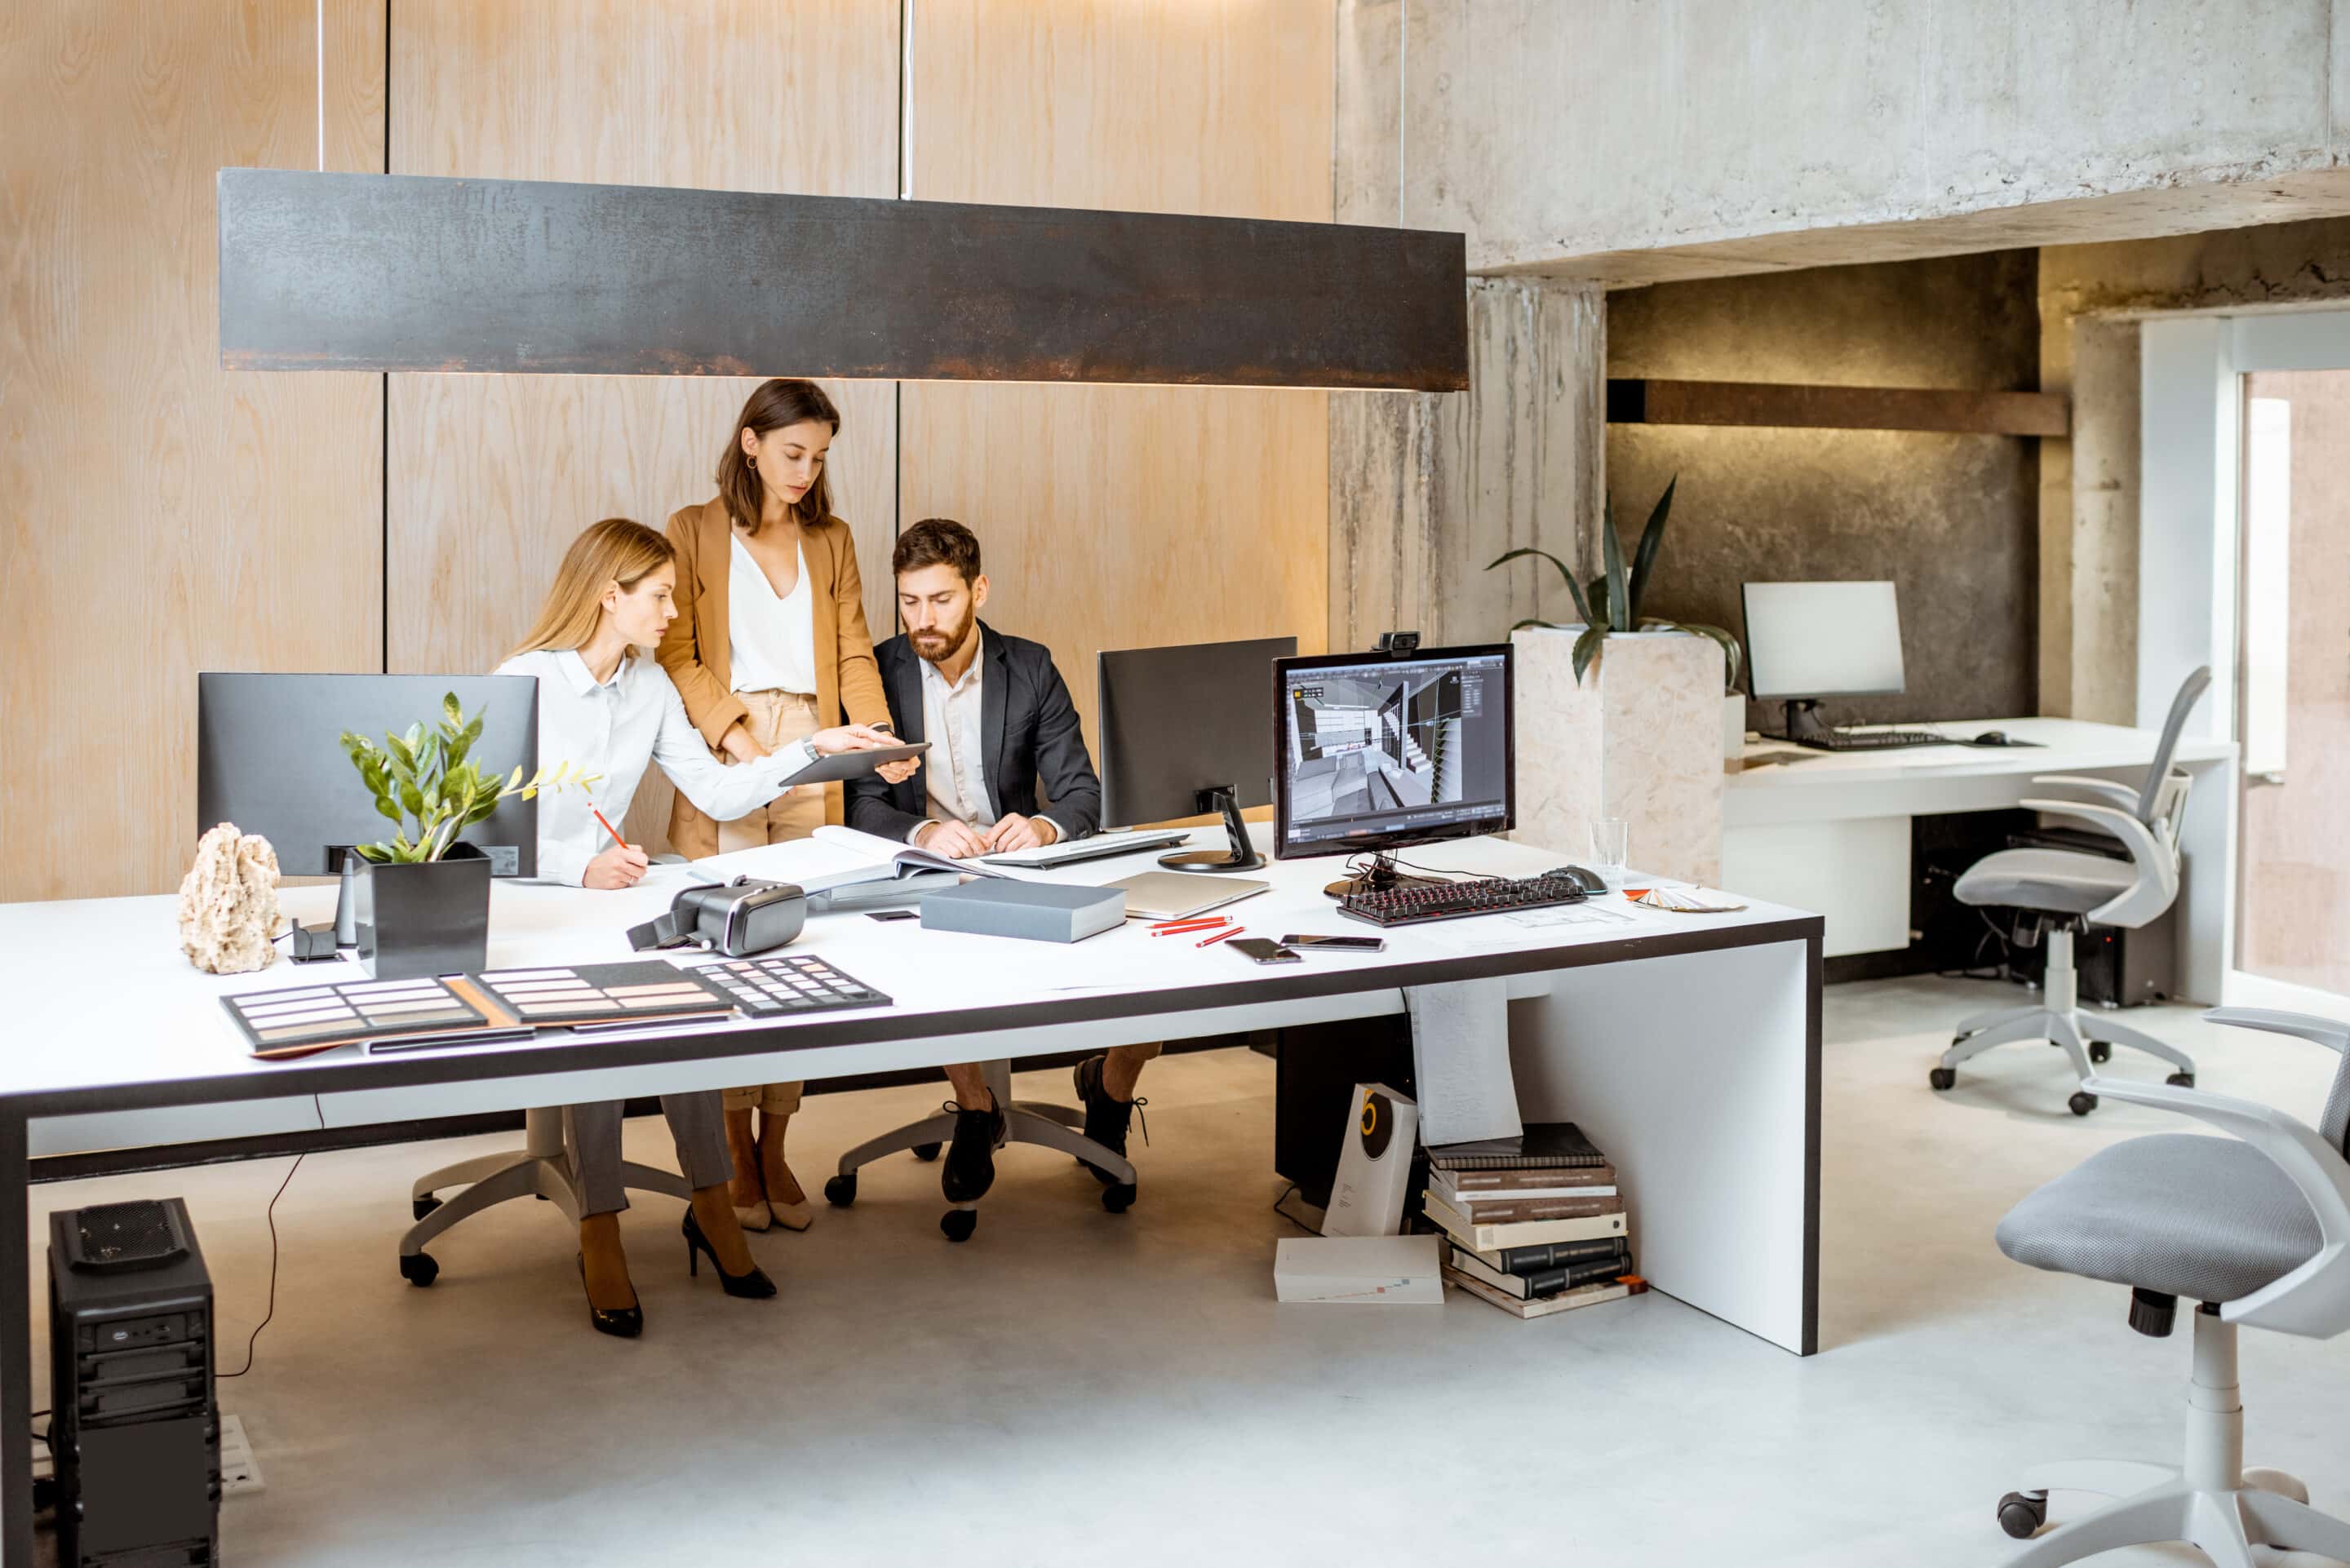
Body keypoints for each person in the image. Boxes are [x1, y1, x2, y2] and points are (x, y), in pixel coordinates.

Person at [498, 517, 897, 1336]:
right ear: (609, 597)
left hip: (616, 898)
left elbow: (718, 794)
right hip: (540, 909)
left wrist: (813, 749)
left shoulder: (648, 687)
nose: (674, 611)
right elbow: (479, 822)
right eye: (659, 595)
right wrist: (576, 865)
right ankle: (598, 1224)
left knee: (687, 1014)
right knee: (602, 1033)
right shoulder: (524, 680)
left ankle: (712, 1203)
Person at [657, 379, 917, 1235]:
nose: (805, 471)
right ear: (751, 443)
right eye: (793, 452)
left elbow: (850, 650)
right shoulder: (693, 531)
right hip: (732, 735)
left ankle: (777, 1140)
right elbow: (679, 654)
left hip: (816, 739)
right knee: (731, 953)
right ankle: (734, 1143)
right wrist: (737, 745)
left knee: (803, 937)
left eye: (819, 457)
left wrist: (877, 738)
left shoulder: (831, 538)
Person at [845, 517, 1161, 1206]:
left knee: (1160, 960)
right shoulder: (879, 675)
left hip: (1024, 866)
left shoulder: (1030, 665)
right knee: (930, 960)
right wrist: (924, 833)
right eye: (909, 602)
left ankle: (1109, 1090)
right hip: (930, 870)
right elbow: (861, 804)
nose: (922, 620)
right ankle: (976, 1105)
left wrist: (1044, 827)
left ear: (979, 590)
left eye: (941, 600)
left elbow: (1083, 792)